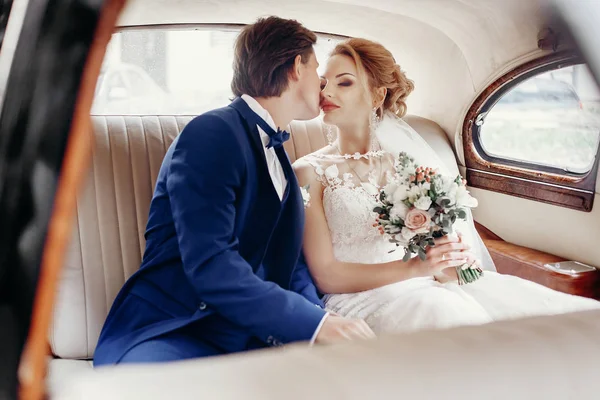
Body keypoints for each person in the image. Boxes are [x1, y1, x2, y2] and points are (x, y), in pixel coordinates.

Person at [94, 17, 374, 366]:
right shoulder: (212, 132)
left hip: (246, 335)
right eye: (316, 68)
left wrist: (318, 319)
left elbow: (290, 264)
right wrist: (314, 325)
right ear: (295, 67)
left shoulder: (279, 153)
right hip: (176, 328)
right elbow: (212, 263)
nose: (321, 82)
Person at [293, 37, 600, 335]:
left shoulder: (408, 168)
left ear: (376, 96)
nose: (326, 91)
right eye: (323, 82)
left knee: (540, 320)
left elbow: (431, 257)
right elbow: (326, 275)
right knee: (444, 314)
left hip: (425, 288)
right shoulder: (309, 172)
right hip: (359, 299)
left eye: (343, 82)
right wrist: (414, 270)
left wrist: (450, 263)